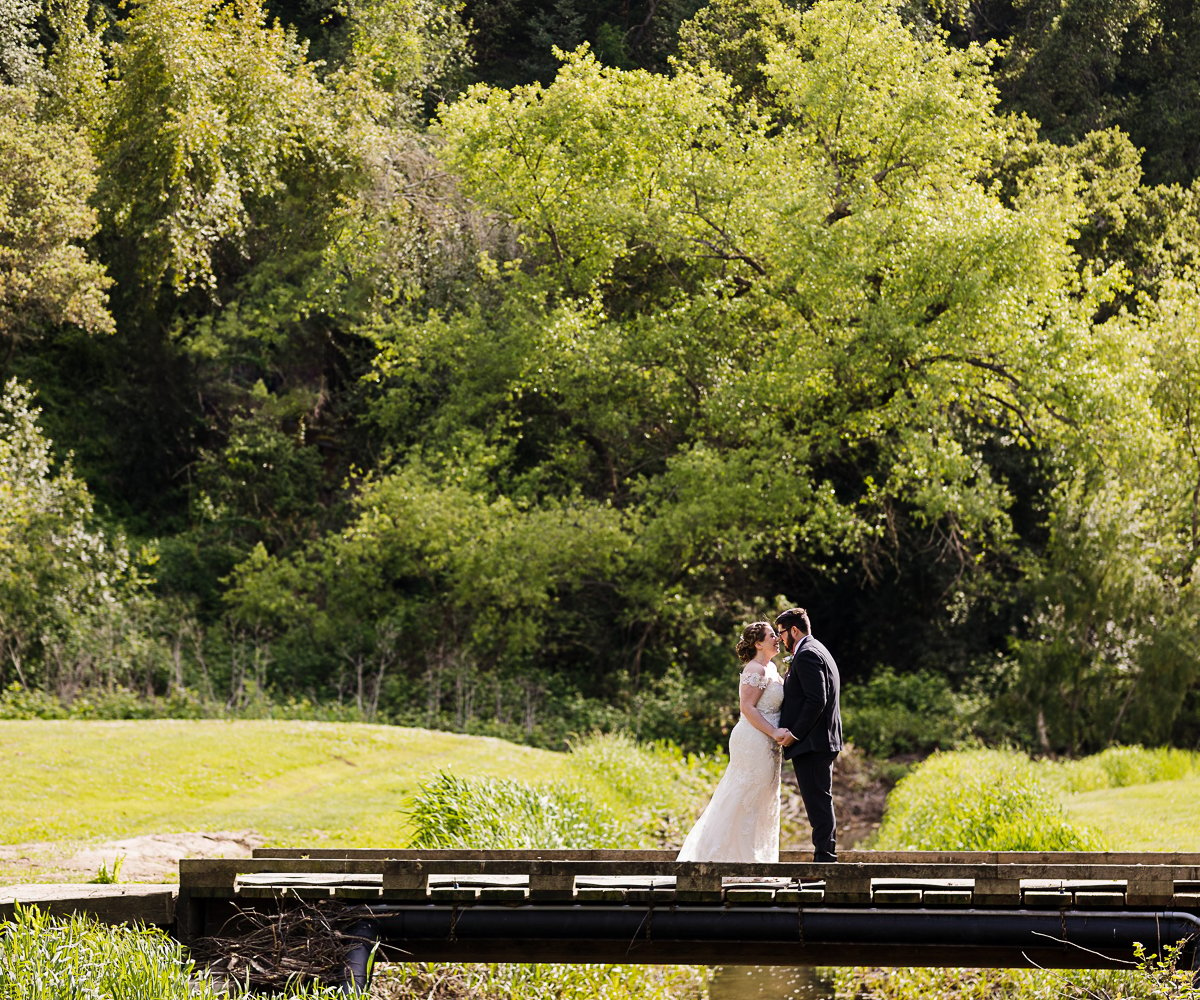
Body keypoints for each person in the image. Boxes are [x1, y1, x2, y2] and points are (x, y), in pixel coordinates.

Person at [676, 621, 793, 863]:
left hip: (769, 743)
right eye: (772, 635)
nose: (777, 639)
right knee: (745, 795)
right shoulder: (755, 670)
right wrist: (773, 732)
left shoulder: (771, 667)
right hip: (754, 740)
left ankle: (757, 861)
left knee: (764, 796)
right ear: (759, 643)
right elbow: (747, 708)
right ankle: (727, 860)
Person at [774, 607, 842, 862]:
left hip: (813, 742)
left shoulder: (807, 654)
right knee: (820, 799)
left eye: (781, 633)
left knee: (818, 802)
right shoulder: (817, 649)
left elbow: (817, 700)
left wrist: (795, 734)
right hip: (819, 740)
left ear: (794, 630)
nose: (780, 639)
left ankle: (825, 860)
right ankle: (825, 856)